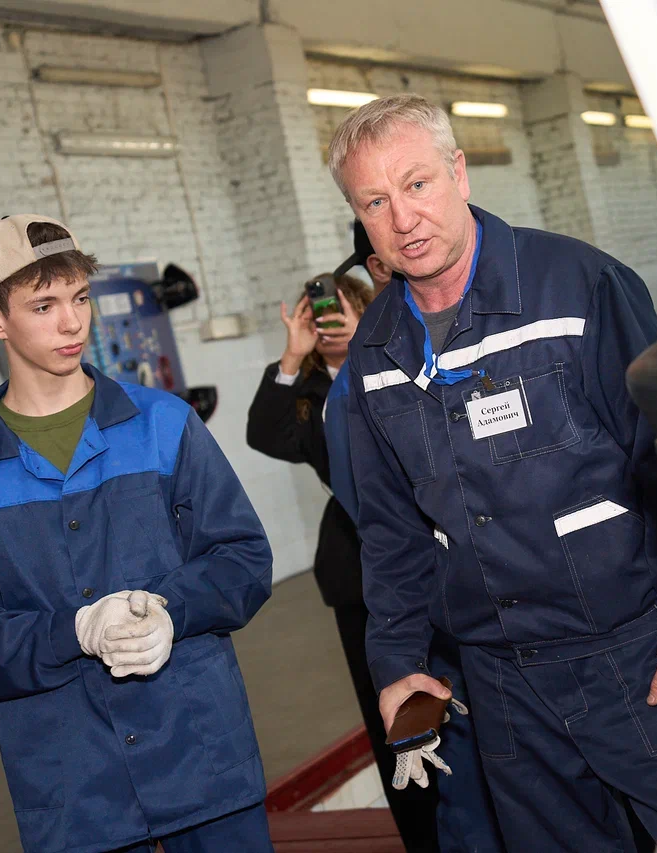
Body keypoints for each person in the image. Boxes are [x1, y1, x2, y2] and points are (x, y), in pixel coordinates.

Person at [329, 95, 657, 853]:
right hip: (502, 686)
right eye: (375, 202)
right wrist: (398, 662)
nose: (404, 218)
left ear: (458, 173)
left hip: (641, 658)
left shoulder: (578, 288)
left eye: (417, 184)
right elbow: (390, 532)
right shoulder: (375, 352)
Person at [0, 214, 275, 853]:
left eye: (80, 298)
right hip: (77, 795)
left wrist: (171, 611)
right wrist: (75, 631)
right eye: (43, 306)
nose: (72, 323)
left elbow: (242, 558)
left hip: (201, 759)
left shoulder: (163, 425)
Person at [246, 274, 453, 852]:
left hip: (432, 554)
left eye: (342, 311)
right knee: (391, 711)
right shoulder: (310, 395)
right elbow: (263, 434)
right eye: (319, 317)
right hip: (356, 569)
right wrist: (292, 356)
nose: (329, 323)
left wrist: (369, 340)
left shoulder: (400, 360)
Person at [324, 225, 506, 853]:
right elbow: (384, 523)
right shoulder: (364, 374)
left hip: (517, 623)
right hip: (450, 627)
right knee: (478, 800)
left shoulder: (495, 331)